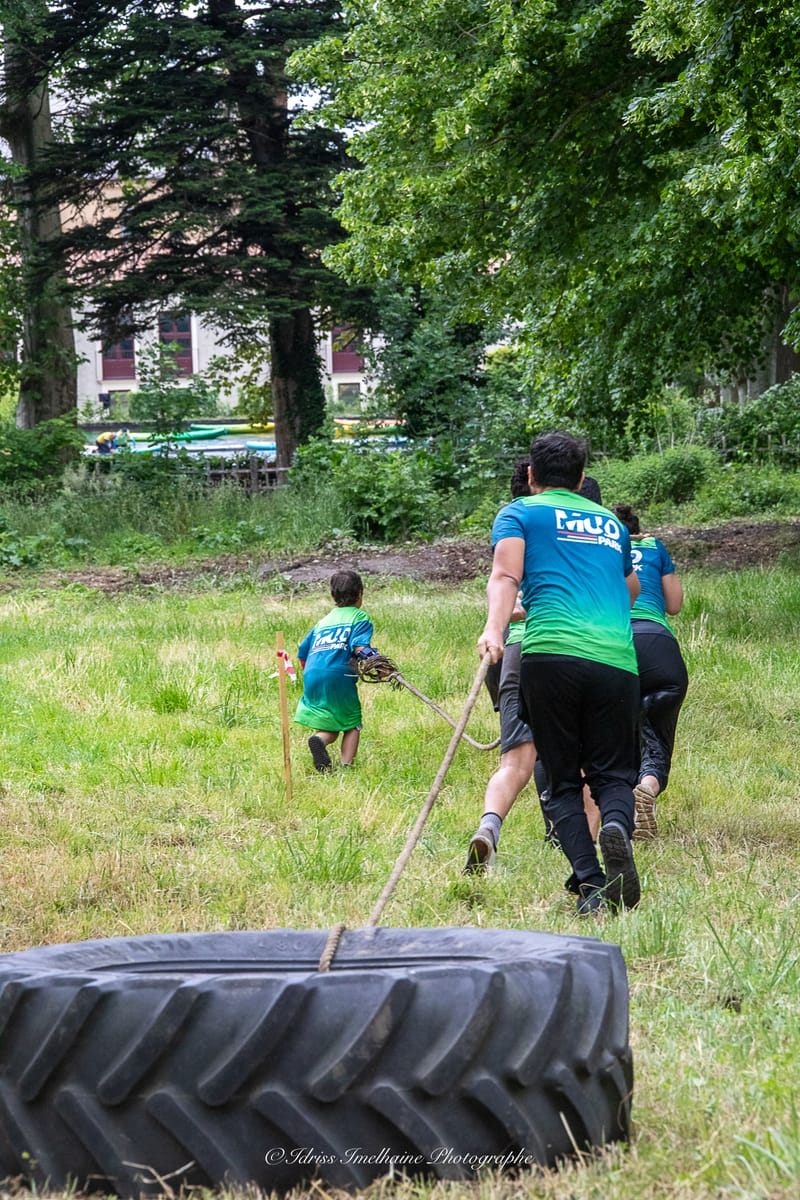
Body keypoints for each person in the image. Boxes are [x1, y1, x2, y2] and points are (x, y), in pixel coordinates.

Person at [478, 432, 642, 915]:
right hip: (616, 659)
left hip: (550, 657)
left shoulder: (519, 513)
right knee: (613, 775)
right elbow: (630, 591)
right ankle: (614, 823)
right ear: (582, 477)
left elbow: (506, 576)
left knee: (563, 782)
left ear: (530, 475)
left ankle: (592, 886)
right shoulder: (613, 524)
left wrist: (495, 630)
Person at [465, 463, 602, 874]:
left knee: (514, 764)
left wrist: (497, 627)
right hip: (570, 651)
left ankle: (489, 827)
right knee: (586, 767)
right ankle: (585, 858)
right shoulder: (584, 540)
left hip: (515, 652)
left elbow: (506, 587)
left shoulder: (519, 531)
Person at [614, 503, 688, 839]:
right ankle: (648, 784)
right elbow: (674, 605)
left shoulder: (601, 545)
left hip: (615, 641)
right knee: (657, 732)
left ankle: (618, 811)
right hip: (660, 645)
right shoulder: (655, 546)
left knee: (616, 731)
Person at [295, 569, 378, 771]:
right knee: (352, 722)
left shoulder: (323, 621)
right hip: (339, 675)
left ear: (334, 596)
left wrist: (312, 673)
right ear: (360, 593)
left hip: (312, 674)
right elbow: (360, 648)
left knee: (330, 721)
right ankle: (346, 767)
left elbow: (302, 652)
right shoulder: (359, 617)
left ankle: (319, 740)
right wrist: (377, 662)